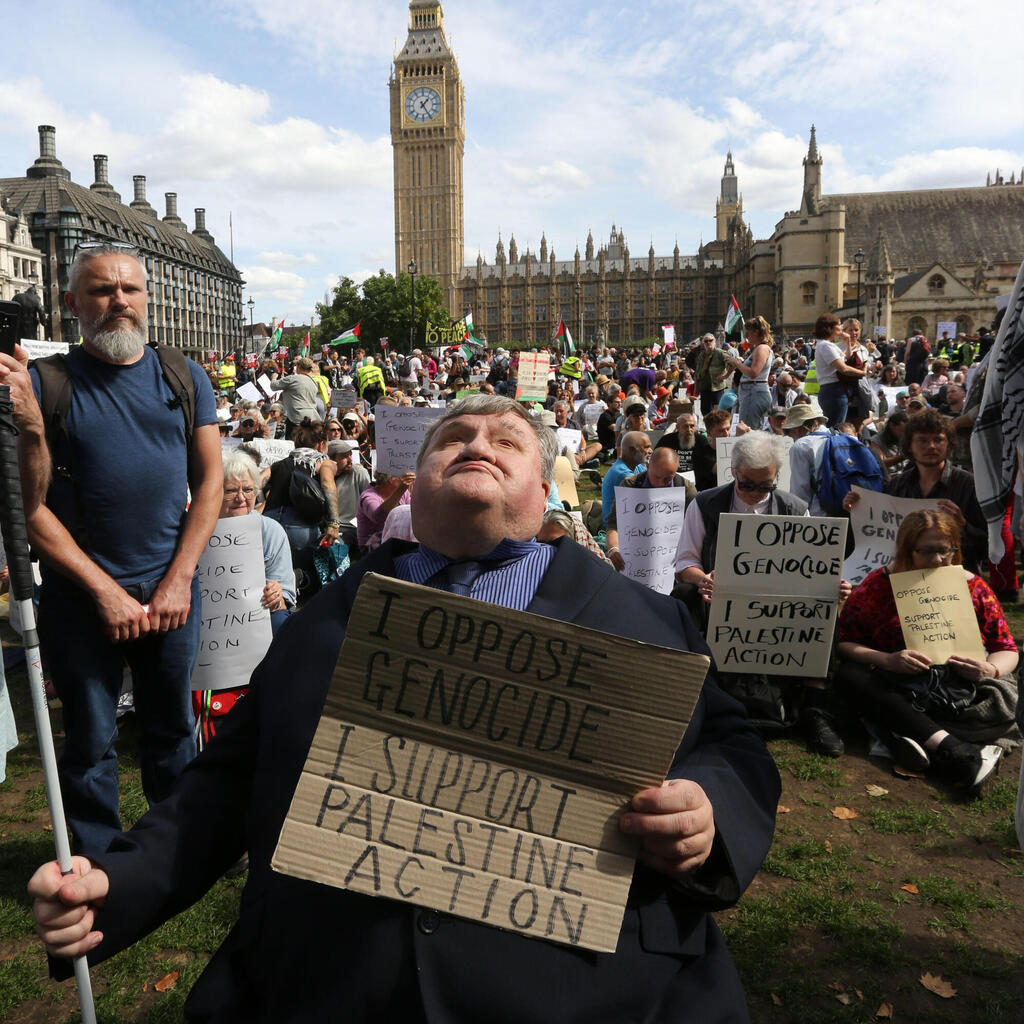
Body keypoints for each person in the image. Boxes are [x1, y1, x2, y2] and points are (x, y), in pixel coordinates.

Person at [29, 394, 779, 1023]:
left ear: (544, 485)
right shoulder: (326, 620)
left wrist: (706, 813)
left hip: (589, 989)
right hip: (333, 985)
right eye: (452, 438)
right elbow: (226, 782)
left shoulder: (642, 616)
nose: (477, 444)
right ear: (412, 482)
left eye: (507, 440)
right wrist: (116, 885)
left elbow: (735, 749)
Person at [23, 242, 222, 855]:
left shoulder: (183, 375)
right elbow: (28, 508)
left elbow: (210, 482)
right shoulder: (43, 383)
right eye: (102, 290)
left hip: (170, 596)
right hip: (81, 600)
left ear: (147, 297)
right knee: (90, 740)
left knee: (172, 730)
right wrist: (103, 590)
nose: (118, 302)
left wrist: (180, 579)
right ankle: (101, 862)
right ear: (71, 302)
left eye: (129, 290)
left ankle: (174, 852)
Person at [673, 431, 846, 756]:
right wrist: (702, 579)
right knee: (681, 595)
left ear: (776, 477)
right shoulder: (706, 504)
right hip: (718, 603)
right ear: (734, 472)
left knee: (827, 608)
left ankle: (814, 707)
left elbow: (812, 566)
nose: (755, 493)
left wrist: (831, 586)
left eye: (765, 486)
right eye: (747, 484)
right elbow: (684, 563)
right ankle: (693, 694)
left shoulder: (795, 509)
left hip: (780, 608)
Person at [837, 511, 1018, 788]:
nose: (937, 560)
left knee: (873, 706)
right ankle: (956, 750)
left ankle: (914, 738)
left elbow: (1006, 647)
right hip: (901, 684)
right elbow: (846, 643)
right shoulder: (877, 586)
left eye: (945, 551)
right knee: (851, 677)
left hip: (963, 688)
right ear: (906, 548)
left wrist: (990, 668)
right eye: (927, 551)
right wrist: (888, 660)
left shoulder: (974, 587)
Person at [192, 451, 295, 747]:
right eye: (231, 490)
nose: (241, 497)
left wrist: (276, 593)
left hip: (258, 619)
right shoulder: (199, 526)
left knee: (282, 623)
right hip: (210, 622)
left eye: (248, 489)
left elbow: (287, 594)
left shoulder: (270, 530)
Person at [843, 409, 986, 571]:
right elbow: (879, 538)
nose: (931, 446)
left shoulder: (970, 485)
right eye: (922, 441)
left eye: (938, 440)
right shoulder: (897, 485)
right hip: (909, 581)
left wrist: (963, 525)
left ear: (949, 444)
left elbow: (986, 547)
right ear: (909, 446)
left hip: (955, 581)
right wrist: (857, 510)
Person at [262, 418, 341, 597]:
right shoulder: (324, 462)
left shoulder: (279, 464)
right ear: (322, 444)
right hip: (301, 527)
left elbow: (256, 482)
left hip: (270, 525)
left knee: (273, 575)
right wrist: (334, 522)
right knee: (303, 577)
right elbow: (328, 483)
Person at [604, 448, 697, 571]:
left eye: (667, 479)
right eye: (657, 477)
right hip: (634, 558)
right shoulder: (630, 487)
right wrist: (614, 549)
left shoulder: (686, 490)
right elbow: (613, 526)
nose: (660, 484)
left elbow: (695, 532)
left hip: (672, 561)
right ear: (647, 466)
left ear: (676, 471)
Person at [813, 313, 866, 427]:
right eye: (839, 324)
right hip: (833, 391)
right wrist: (863, 373)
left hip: (834, 390)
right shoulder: (825, 345)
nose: (841, 327)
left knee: (837, 425)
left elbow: (847, 357)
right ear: (830, 328)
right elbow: (844, 368)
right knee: (836, 427)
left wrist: (847, 343)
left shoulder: (828, 345)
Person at [723, 316, 773, 429]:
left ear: (756, 332)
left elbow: (754, 372)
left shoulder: (762, 349)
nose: (746, 337)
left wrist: (737, 363)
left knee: (748, 430)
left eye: (748, 334)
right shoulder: (759, 348)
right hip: (752, 392)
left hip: (754, 392)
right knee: (752, 429)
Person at [327, 438, 371, 556]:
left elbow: (369, 502)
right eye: (344, 456)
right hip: (334, 528)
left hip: (357, 527)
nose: (350, 459)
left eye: (350, 455)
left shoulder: (359, 473)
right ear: (332, 459)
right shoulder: (324, 476)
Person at [601, 430, 652, 525]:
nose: (651, 451)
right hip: (616, 527)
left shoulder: (637, 465)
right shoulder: (622, 473)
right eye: (646, 447)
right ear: (632, 450)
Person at [356, 471, 415, 552]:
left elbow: (412, 513)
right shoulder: (368, 497)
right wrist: (401, 488)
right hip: (373, 548)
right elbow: (379, 517)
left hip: (397, 541)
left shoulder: (404, 493)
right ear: (390, 478)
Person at [277, 357, 320, 437]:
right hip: (311, 418)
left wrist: (273, 378)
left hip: (296, 419)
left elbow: (273, 386)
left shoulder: (292, 379)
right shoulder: (314, 381)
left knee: (294, 444)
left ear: (299, 367)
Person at [695, 333, 729, 416]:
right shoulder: (702, 355)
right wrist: (696, 388)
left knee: (718, 410)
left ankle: (717, 427)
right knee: (705, 410)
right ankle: (709, 428)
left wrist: (726, 376)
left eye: (710, 340)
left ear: (715, 341)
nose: (708, 343)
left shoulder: (720, 353)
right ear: (703, 343)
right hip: (704, 386)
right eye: (706, 341)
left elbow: (731, 364)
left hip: (717, 386)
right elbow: (697, 372)